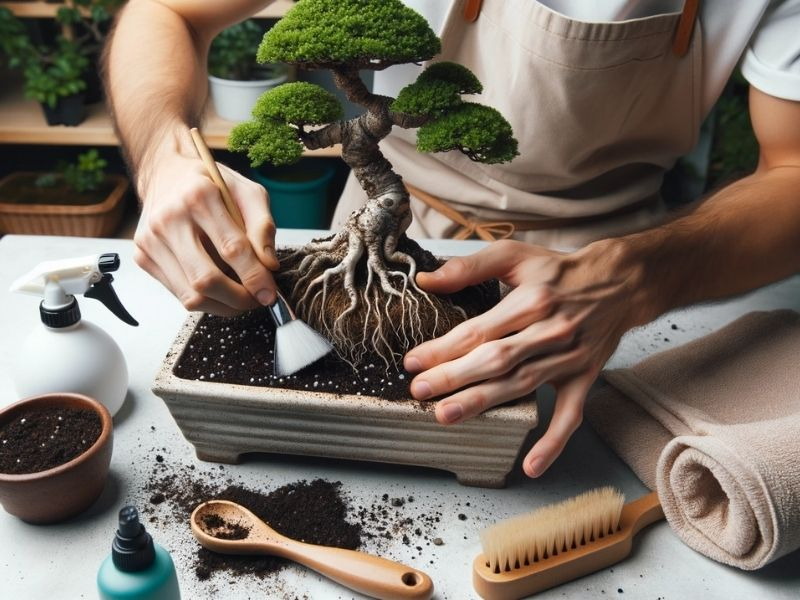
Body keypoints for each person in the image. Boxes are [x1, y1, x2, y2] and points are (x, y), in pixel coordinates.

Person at [104, 0, 800, 479]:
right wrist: (166, 153)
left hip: (609, 268)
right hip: (388, 217)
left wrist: (637, 276)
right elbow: (167, 11)